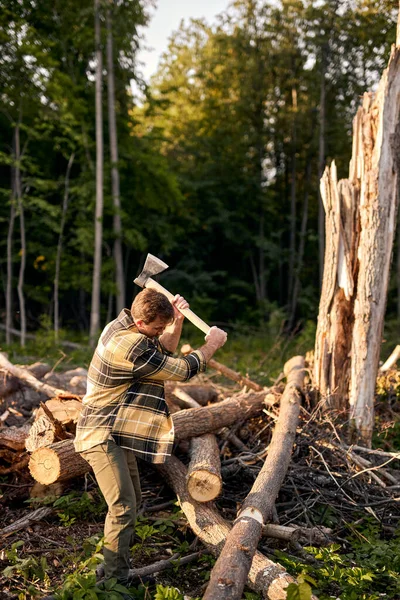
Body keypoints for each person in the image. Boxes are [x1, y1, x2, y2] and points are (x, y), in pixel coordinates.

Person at [74, 288, 227, 591]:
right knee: (122, 506)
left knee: (133, 501)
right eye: (157, 328)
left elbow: (163, 351)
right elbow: (182, 370)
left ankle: (114, 568)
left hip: (118, 429)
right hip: (100, 433)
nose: (161, 333)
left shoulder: (124, 325)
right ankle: (114, 586)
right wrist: (211, 345)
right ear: (142, 323)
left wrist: (177, 320)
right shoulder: (129, 347)